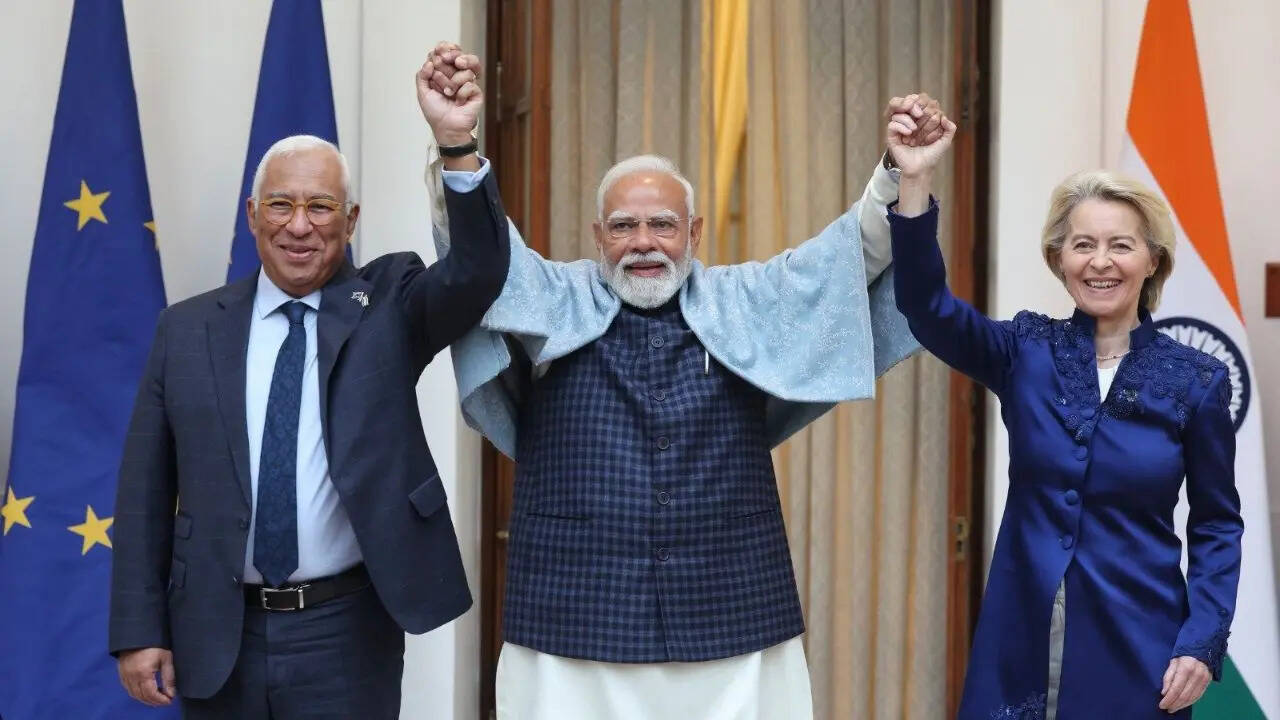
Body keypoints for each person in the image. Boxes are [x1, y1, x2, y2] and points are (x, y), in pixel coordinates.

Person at [426, 44, 943, 720]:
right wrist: (457, 143)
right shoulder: (554, 295)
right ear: (598, 235)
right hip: (574, 612)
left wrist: (900, 174)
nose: (643, 242)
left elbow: (851, 255)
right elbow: (481, 256)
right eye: (623, 226)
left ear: (694, 232)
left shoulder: (747, 297)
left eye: (662, 225)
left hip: (729, 609)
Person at [108, 45, 508, 719]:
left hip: (345, 631)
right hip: (218, 629)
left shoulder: (389, 304)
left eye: (321, 206)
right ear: (252, 215)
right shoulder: (187, 329)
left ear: (350, 221)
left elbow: (477, 272)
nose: (299, 225)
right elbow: (145, 490)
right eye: (281, 205)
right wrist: (139, 630)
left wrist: (456, 144)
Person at [884, 104, 1241, 718]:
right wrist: (913, 180)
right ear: (1059, 260)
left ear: (1152, 261)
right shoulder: (1023, 350)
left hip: (1142, 645)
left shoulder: (1197, 381)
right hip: (1018, 637)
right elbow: (926, 307)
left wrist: (1202, 641)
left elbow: (1216, 525)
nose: (1100, 262)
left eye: (1121, 246)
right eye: (1083, 245)